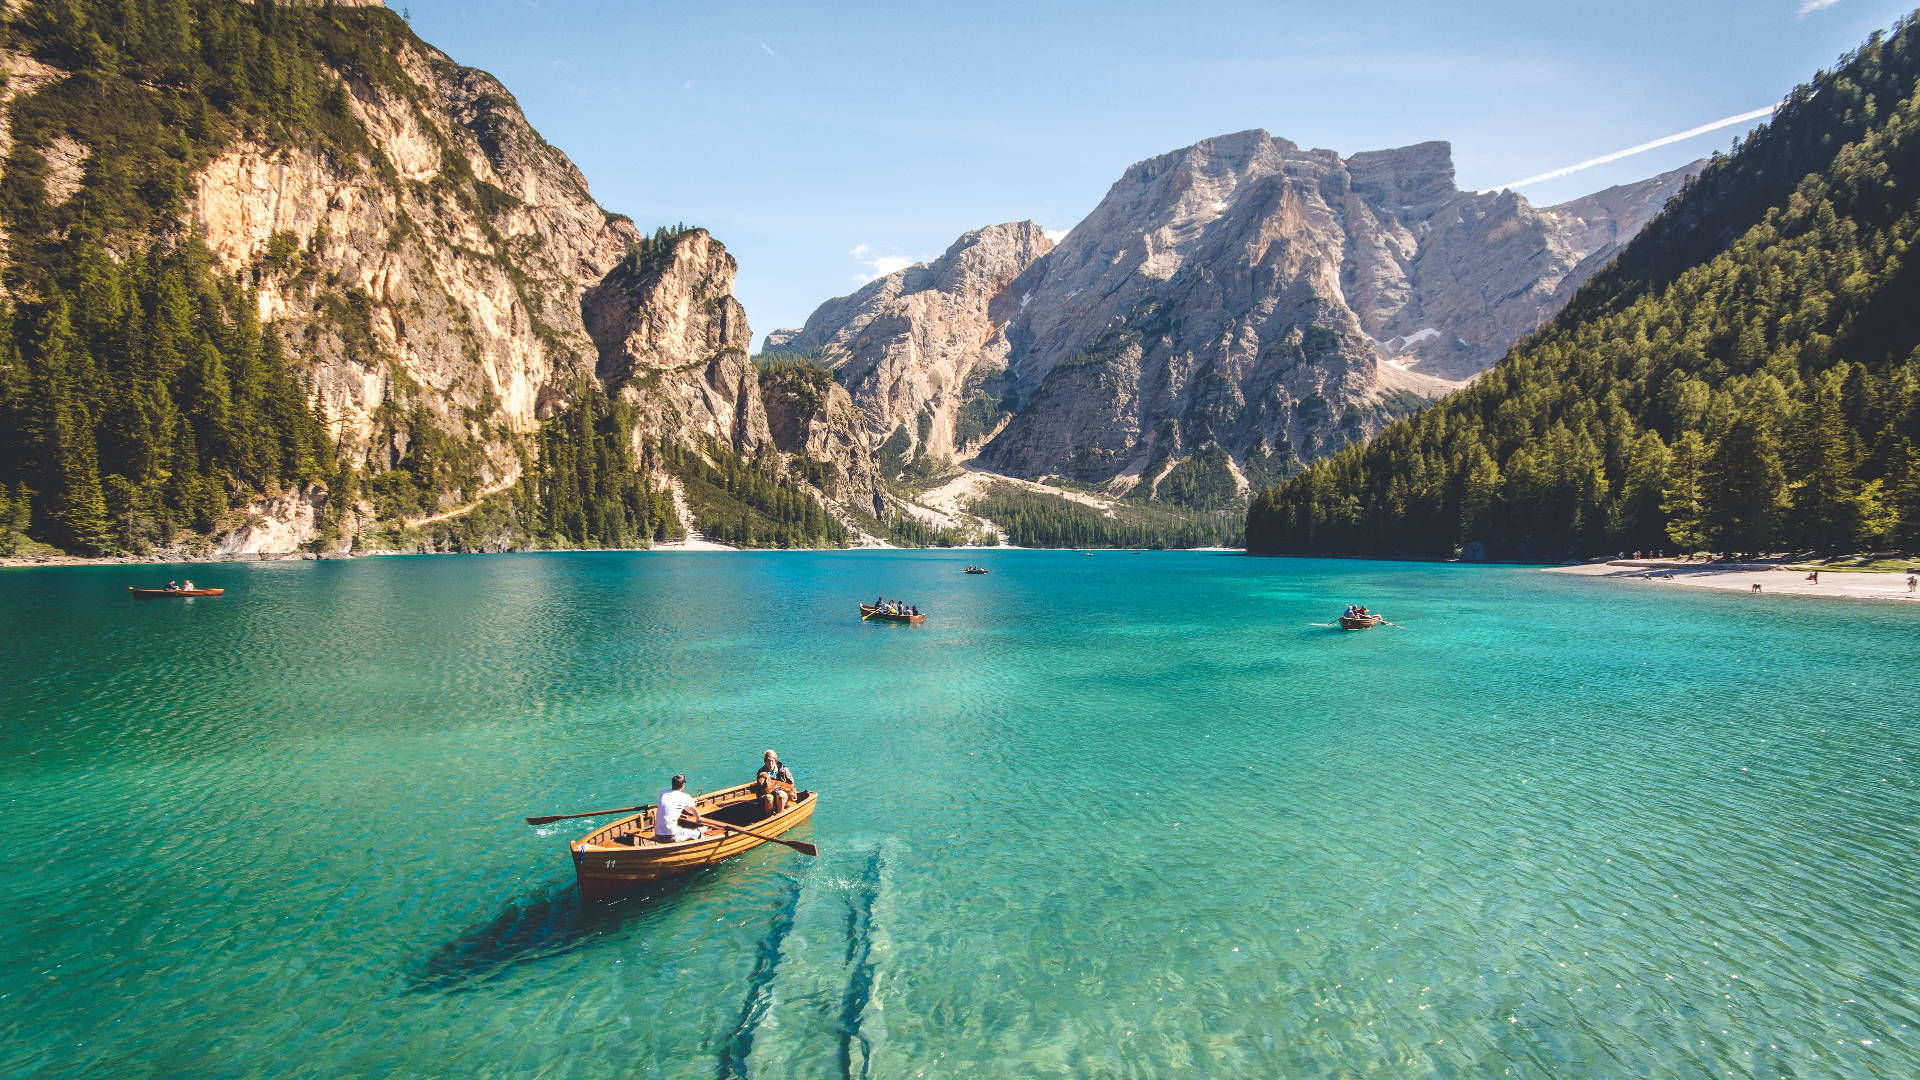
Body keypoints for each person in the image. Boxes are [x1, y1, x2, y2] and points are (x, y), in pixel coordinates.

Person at [654, 774, 706, 842]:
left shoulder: (663, 793)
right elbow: (694, 811)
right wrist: (698, 818)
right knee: (699, 835)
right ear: (683, 785)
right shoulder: (685, 797)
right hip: (671, 836)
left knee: (679, 828)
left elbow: (673, 801)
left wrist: (690, 802)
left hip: (658, 834)